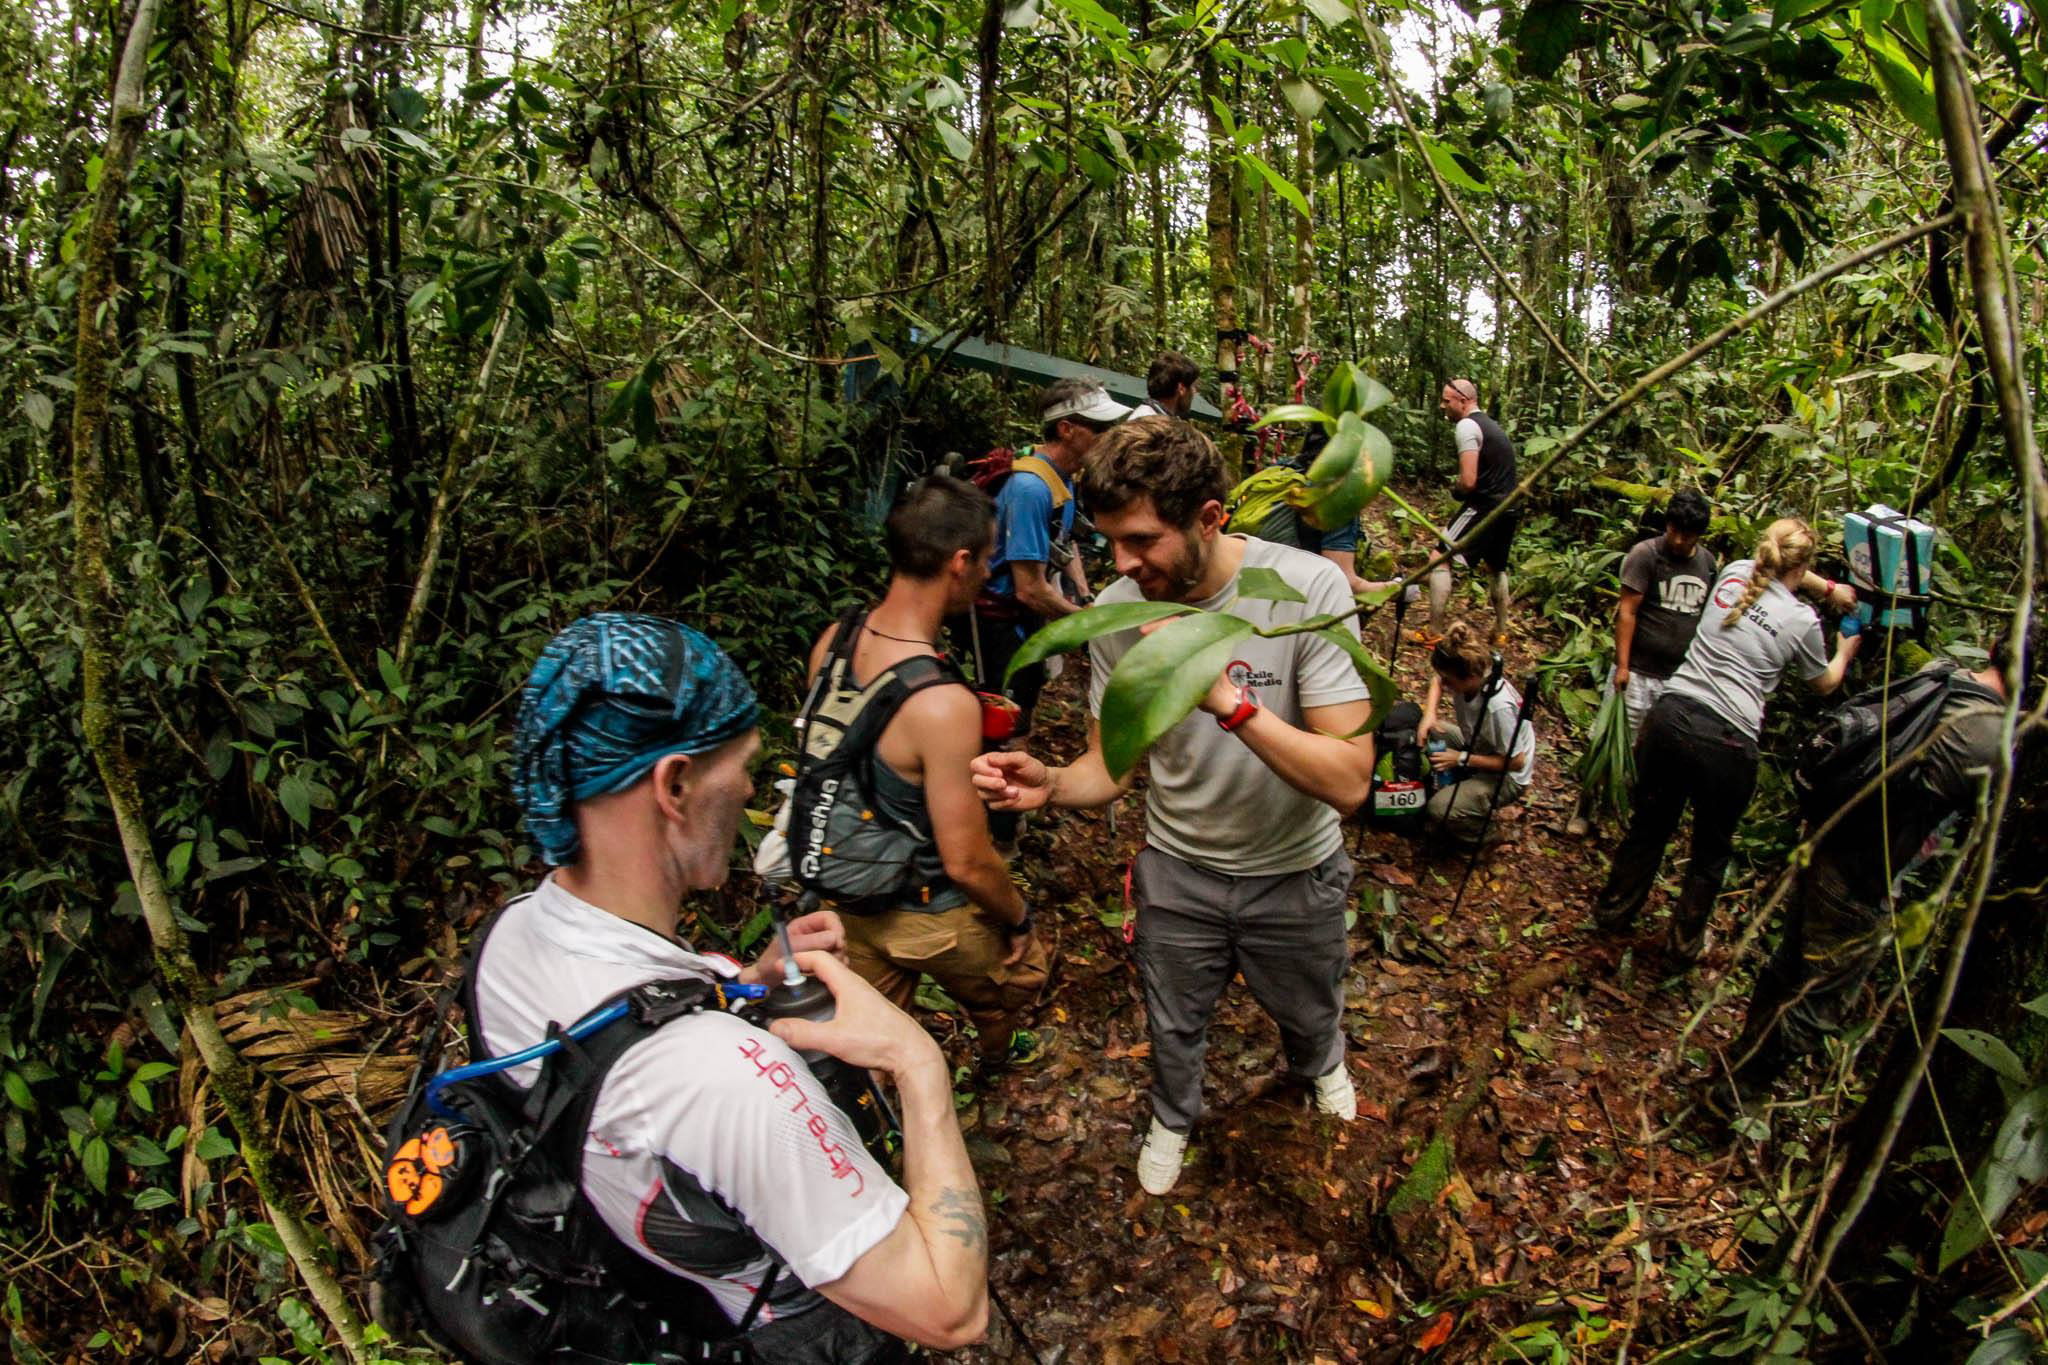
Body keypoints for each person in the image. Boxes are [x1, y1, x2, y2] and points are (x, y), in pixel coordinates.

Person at [491, 613, 988, 1360]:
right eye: (744, 763)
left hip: (627, 1289)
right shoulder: (719, 1080)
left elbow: (599, 1070)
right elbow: (951, 1310)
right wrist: (919, 1065)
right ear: (676, 782)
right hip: (776, 1328)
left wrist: (743, 983)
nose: (754, 786)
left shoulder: (512, 931)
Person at [968, 416, 1378, 1196]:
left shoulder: (1305, 587)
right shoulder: (1123, 613)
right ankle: (1173, 1115)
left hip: (1294, 868)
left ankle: (1321, 1064)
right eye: (1110, 539)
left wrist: (1225, 699)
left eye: (1143, 540)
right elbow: (1109, 766)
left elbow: (1351, 777)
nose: (1121, 564)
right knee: (1173, 1019)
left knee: (1309, 1003)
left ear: (1210, 518)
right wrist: (1051, 783)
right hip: (1181, 872)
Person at [1716, 626, 2034, 1112]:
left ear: (1993, 649)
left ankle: (1739, 1059)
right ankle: (1739, 1094)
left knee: (1790, 965)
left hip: (1829, 836)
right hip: (1864, 875)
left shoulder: (1940, 675)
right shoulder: (1996, 741)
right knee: (1821, 1001)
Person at [805, 477, 1049, 1068]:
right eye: (988, 558)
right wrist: (1019, 918)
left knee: (872, 1042)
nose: (990, 571)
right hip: (928, 915)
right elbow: (966, 861)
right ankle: (999, 1052)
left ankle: (878, 1128)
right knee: (1021, 980)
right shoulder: (940, 702)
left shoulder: (834, 642)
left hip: (845, 897)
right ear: (960, 562)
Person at [1593, 518, 1862, 964]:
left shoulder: (1736, 571)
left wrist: (1825, 586)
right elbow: (1825, 684)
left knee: (1650, 826)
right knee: (1710, 852)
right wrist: (1845, 651)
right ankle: (1681, 948)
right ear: (1804, 565)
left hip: (1671, 716)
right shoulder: (1801, 621)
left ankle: (1612, 913)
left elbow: (1779, 566)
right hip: (1728, 742)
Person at [960, 378, 1128, 735]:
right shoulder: (1031, 489)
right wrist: (1086, 625)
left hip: (1025, 616)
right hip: (1000, 618)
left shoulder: (1062, 479)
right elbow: (1029, 589)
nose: (1107, 435)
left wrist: (1084, 596)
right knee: (1005, 721)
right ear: (1067, 430)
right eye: (1098, 428)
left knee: (1028, 699)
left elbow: (1063, 544)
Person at [1415, 622, 1537, 848]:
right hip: (1480, 746)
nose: (1447, 685)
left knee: (1439, 810)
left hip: (1507, 775)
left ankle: (1485, 835)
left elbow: (1516, 762)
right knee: (1433, 731)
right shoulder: (1470, 673)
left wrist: (1460, 759)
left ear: (1469, 676)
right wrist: (1429, 714)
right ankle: (1463, 786)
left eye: (1451, 682)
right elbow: (1438, 679)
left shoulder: (1497, 707)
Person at [1422, 378, 1517, 646]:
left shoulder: (1467, 425)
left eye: (1447, 401)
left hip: (1484, 507)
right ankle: (1500, 632)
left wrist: (1457, 490)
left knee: (1439, 557)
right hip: (1509, 507)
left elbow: (1468, 480)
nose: (1443, 406)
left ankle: (1434, 633)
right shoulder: (1492, 425)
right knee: (1496, 568)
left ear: (1463, 401)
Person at [1130, 350, 1199, 420]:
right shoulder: (1148, 421)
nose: (1194, 392)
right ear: (1181, 389)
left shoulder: (1150, 416)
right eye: (1193, 386)